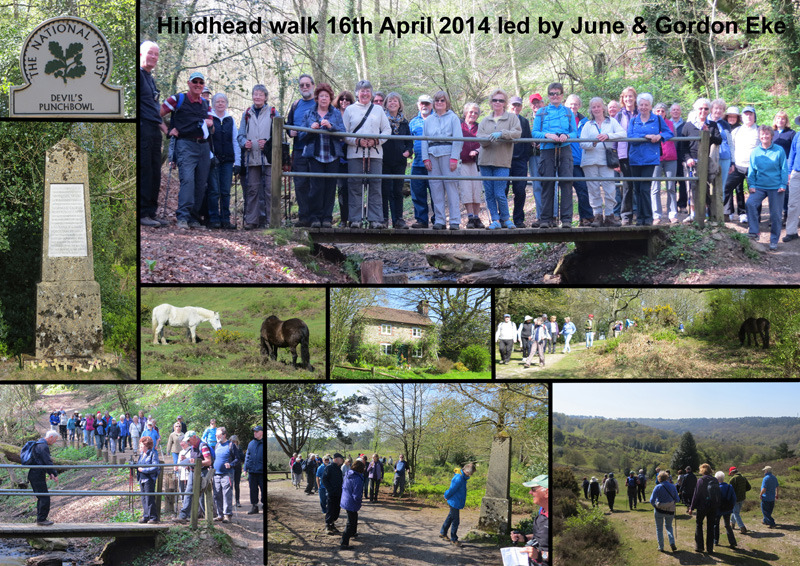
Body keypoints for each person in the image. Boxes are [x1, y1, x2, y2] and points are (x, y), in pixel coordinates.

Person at [160, 72, 214, 230]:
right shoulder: (177, 99)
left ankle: (193, 219)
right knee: (188, 181)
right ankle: (182, 217)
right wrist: (167, 130)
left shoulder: (205, 103)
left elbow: (211, 121)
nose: (198, 85)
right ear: (189, 83)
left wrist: (209, 123)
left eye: (201, 82)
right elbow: (157, 114)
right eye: (195, 82)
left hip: (203, 146)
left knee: (200, 183)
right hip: (185, 145)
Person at [343, 79, 391, 229]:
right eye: (362, 90)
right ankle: (355, 219)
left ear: (371, 93)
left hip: (375, 154)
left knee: (375, 184)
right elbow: (343, 132)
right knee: (355, 185)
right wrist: (357, 142)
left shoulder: (378, 110)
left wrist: (376, 141)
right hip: (355, 154)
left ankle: (375, 219)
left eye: (367, 90)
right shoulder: (350, 110)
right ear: (357, 93)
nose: (364, 93)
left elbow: (387, 130)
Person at [299, 83, 346, 229]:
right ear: (317, 98)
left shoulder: (336, 113)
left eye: (326, 96)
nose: (324, 99)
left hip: (332, 156)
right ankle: (315, 218)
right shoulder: (309, 114)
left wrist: (331, 127)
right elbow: (300, 135)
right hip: (315, 156)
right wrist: (310, 129)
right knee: (316, 188)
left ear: (330, 98)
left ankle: (327, 218)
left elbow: (343, 133)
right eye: (321, 96)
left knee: (330, 187)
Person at [532, 82, 576, 228]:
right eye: (552, 94)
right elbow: (535, 132)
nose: (555, 96)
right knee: (547, 183)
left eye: (557, 93)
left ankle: (567, 220)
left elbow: (575, 132)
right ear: (548, 96)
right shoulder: (541, 112)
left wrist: (567, 136)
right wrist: (547, 135)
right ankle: (545, 219)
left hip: (564, 149)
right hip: (547, 149)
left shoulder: (568, 112)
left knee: (566, 183)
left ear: (562, 95)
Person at [478, 88, 522, 230]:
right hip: (485, 162)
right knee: (489, 193)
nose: (497, 102)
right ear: (491, 102)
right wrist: (490, 138)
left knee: (500, 192)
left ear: (505, 103)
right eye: (495, 100)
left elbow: (517, 134)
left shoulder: (512, 118)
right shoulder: (485, 120)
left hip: (502, 161)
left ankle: (506, 219)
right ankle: (495, 220)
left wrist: (502, 134)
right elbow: (480, 138)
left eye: (501, 100)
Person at [627, 93, 673, 226]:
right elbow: (630, 136)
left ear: (650, 106)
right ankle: (639, 218)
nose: (643, 107)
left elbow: (668, 133)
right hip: (635, 158)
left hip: (650, 159)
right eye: (641, 104)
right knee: (637, 189)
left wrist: (659, 137)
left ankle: (647, 218)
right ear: (638, 105)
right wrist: (646, 136)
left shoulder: (657, 119)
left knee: (645, 188)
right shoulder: (633, 120)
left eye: (646, 105)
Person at [237, 85, 278, 230]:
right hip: (252, 157)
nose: (257, 97)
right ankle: (251, 220)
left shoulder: (273, 112)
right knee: (252, 189)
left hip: (269, 158)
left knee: (269, 189)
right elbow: (240, 135)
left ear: (265, 97)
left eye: (261, 94)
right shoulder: (247, 113)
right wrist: (244, 143)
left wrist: (267, 143)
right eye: (255, 94)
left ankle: (271, 220)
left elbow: (279, 135)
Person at [422, 91, 463, 230]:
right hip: (432, 155)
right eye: (437, 100)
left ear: (447, 103)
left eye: (442, 100)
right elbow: (424, 141)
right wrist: (425, 158)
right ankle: (439, 219)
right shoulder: (428, 120)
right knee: (435, 188)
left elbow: (458, 139)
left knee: (451, 188)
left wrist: (454, 158)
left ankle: (454, 220)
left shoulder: (453, 118)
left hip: (448, 154)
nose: (439, 103)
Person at [580, 96, 624, 227]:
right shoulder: (587, 125)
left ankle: (610, 215)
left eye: (598, 106)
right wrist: (593, 142)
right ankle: (597, 216)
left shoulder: (611, 122)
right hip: (590, 160)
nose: (596, 109)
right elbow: (582, 143)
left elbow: (623, 134)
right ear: (591, 110)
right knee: (593, 189)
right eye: (593, 107)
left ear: (603, 108)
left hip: (606, 160)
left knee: (610, 187)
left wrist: (608, 136)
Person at [139, 41, 169, 228]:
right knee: (146, 171)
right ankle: (142, 212)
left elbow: (155, 106)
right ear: (141, 54)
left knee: (155, 172)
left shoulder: (150, 78)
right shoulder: (139, 76)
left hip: (154, 130)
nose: (153, 57)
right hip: (143, 128)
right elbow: (145, 108)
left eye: (156, 54)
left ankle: (151, 212)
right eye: (150, 53)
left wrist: (165, 127)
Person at [680, 98, 722, 223]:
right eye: (700, 108)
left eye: (706, 109)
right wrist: (688, 159)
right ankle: (693, 213)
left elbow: (718, 140)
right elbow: (683, 146)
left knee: (706, 187)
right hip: (691, 161)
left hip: (706, 161)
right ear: (696, 109)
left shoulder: (712, 124)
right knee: (691, 187)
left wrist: (708, 133)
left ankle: (706, 213)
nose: (703, 111)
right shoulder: (688, 126)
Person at [746, 126, 788, 250]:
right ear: (759, 136)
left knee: (775, 214)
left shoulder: (779, 150)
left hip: (776, 186)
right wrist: (752, 185)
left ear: (771, 135)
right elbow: (752, 170)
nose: (764, 136)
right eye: (762, 134)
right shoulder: (755, 152)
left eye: (767, 134)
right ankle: (754, 232)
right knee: (750, 203)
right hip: (759, 186)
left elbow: (784, 169)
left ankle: (774, 240)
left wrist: (782, 184)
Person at [286, 74, 317, 227]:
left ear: (313, 86)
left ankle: (314, 217)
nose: (304, 87)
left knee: (314, 184)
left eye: (307, 85)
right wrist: (290, 132)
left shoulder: (319, 103)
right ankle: (303, 217)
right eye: (302, 85)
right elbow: (288, 125)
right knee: (300, 184)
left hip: (315, 150)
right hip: (298, 150)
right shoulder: (295, 105)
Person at [208, 93, 240, 230]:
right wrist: (210, 156)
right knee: (214, 190)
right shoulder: (209, 119)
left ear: (226, 104)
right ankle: (214, 218)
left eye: (222, 101)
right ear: (213, 104)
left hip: (227, 160)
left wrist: (238, 162)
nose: (220, 104)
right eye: (217, 101)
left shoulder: (230, 120)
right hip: (213, 160)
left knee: (225, 191)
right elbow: (206, 140)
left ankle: (225, 219)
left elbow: (235, 141)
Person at [381, 92, 413, 229]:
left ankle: (398, 219)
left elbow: (409, 141)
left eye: (395, 101)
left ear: (399, 104)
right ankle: (383, 219)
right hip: (384, 160)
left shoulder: (404, 122)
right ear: (386, 104)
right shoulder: (381, 120)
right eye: (390, 101)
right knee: (385, 190)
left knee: (397, 190)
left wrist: (408, 151)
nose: (392, 103)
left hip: (399, 161)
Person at [725, 106, 759, 223]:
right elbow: (731, 148)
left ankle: (754, 218)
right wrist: (731, 164)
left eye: (751, 114)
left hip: (754, 168)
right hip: (738, 166)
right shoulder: (736, 131)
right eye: (746, 114)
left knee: (755, 193)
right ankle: (723, 214)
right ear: (742, 117)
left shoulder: (759, 131)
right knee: (726, 187)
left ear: (754, 117)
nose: (748, 116)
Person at [173, 430, 214, 523]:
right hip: (192, 472)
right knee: (188, 492)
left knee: (202, 494)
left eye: (189, 440)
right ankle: (183, 516)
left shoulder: (203, 446)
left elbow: (208, 461)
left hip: (202, 473)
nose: (188, 442)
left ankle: (208, 515)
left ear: (194, 437)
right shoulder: (192, 447)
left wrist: (196, 462)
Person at [565, 94, 593, 227]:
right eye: (570, 104)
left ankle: (586, 217)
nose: (573, 106)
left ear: (579, 106)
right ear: (566, 105)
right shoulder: (561, 119)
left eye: (575, 104)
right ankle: (566, 220)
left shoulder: (585, 121)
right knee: (566, 190)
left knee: (582, 189)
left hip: (580, 160)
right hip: (564, 159)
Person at [510, 474, 549, 564]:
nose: (530, 492)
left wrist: (539, 555)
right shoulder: (542, 511)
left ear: (546, 493)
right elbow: (540, 537)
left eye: (533, 489)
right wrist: (524, 538)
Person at [409, 95, 435, 228]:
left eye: (427, 104)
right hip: (417, 163)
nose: (424, 106)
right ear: (418, 105)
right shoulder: (413, 122)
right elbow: (408, 141)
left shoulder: (437, 119)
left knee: (436, 193)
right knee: (417, 193)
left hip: (434, 163)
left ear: (431, 105)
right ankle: (421, 220)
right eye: (422, 104)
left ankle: (438, 219)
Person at [507, 96, 533, 227]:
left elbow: (528, 140)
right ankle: (503, 218)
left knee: (520, 190)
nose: (516, 107)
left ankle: (518, 219)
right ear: (509, 106)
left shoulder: (524, 121)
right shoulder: (503, 120)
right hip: (504, 160)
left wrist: (525, 158)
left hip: (520, 161)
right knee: (503, 189)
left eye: (518, 105)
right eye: (513, 105)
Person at [651, 102, 679, 224]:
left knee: (671, 187)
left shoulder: (671, 124)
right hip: (655, 158)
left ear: (666, 113)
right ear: (654, 112)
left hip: (670, 157)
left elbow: (676, 140)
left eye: (662, 111)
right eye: (658, 111)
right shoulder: (650, 124)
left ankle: (672, 214)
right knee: (655, 188)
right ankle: (656, 215)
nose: (660, 113)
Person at [459, 102, 486, 228]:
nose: (473, 114)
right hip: (462, 162)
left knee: (477, 189)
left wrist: (477, 151)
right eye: (471, 112)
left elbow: (485, 143)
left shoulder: (480, 127)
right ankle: (469, 217)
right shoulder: (459, 126)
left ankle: (476, 217)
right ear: (465, 113)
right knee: (466, 190)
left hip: (476, 162)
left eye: (476, 112)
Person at [615, 86, 638, 225]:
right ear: (622, 99)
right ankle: (626, 215)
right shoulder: (619, 115)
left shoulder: (641, 112)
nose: (628, 99)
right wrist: (615, 157)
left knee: (641, 185)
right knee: (627, 185)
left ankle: (641, 213)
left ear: (635, 98)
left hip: (639, 154)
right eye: (626, 96)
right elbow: (614, 139)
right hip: (624, 155)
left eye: (631, 96)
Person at [28, 431, 60, 526]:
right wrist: (54, 473)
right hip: (36, 475)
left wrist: (50, 473)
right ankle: (41, 519)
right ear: (51, 437)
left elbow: (41, 461)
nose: (54, 442)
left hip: (35, 474)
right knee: (44, 497)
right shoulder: (43, 446)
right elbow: (47, 461)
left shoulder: (39, 444)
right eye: (55, 440)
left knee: (41, 497)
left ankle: (41, 518)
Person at [440, 463, 474, 547]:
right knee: (456, 521)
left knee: (450, 517)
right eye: (471, 473)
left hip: (456, 501)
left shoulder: (462, 477)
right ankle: (454, 539)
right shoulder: (459, 478)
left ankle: (443, 533)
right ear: (466, 471)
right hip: (454, 502)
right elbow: (452, 489)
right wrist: (446, 495)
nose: (471, 475)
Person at [689, 463, 720, 554]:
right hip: (713, 506)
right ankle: (710, 548)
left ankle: (699, 547)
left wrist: (692, 507)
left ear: (702, 470)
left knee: (699, 524)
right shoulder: (715, 480)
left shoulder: (701, 480)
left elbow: (696, 494)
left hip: (702, 506)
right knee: (710, 527)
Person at [212, 427, 237, 523]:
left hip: (227, 474)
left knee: (226, 494)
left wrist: (230, 464)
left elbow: (237, 459)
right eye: (216, 435)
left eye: (218, 435)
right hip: (216, 474)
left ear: (224, 435)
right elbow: (215, 458)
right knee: (217, 494)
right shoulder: (217, 445)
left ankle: (227, 515)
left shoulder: (231, 445)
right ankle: (220, 515)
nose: (217, 437)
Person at [650, 470, 679, 552]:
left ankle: (661, 547)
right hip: (670, 510)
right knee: (669, 527)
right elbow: (677, 499)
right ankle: (672, 542)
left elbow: (651, 500)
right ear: (667, 477)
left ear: (659, 478)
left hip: (659, 510)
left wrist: (655, 506)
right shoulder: (673, 486)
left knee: (659, 528)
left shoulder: (657, 487)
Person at [340, 458, 365, 549]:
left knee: (354, 517)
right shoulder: (357, 478)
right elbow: (356, 494)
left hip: (346, 500)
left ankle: (353, 533)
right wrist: (359, 502)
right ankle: (344, 543)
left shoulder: (348, 474)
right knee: (350, 522)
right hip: (351, 502)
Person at [137, 436, 161, 524]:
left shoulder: (153, 454)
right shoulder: (141, 455)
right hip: (142, 479)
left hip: (149, 479)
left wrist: (144, 470)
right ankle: (146, 516)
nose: (140, 447)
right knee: (144, 498)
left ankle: (153, 517)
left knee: (149, 498)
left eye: (142, 445)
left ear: (146, 445)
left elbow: (155, 467)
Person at [784, 114, 800, 242]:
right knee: (793, 204)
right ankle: (791, 231)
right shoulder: (797, 136)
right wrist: (789, 172)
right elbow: (792, 154)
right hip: (796, 173)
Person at [714, 471, 738, 548]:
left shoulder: (715, 487)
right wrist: (731, 507)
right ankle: (732, 542)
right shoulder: (729, 487)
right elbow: (734, 498)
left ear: (716, 479)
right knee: (727, 525)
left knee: (716, 525)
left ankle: (716, 541)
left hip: (718, 510)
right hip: (727, 509)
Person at [322, 453, 344, 534]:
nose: (342, 460)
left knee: (336, 510)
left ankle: (332, 525)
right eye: (341, 458)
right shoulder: (329, 467)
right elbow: (324, 480)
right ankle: (328, 526)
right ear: (335, 459)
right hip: (331, 493)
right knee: (330, 510)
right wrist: (330, 490)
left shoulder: (338, 468)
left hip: (338, 493)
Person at [245, 425, 264, 514]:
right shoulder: (251, 443)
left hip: (261, 472)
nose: (255, 433)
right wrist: (245, 468)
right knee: (253, 489)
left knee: (263, 489)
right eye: (254, 431)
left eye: (256, 431)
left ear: (261, 432)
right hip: (252, 471)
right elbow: (247, 456)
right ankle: (254, 507)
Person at [229, 435, 244, 507]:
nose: (234, 443)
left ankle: (237, 501)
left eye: (235, 441)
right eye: (232, 441)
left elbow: (242, 458)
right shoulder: (229, 448)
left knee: (237, 485)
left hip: (237, 468)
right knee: (229, 485)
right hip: (231, 468)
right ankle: (230, 501)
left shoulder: (239, 448)